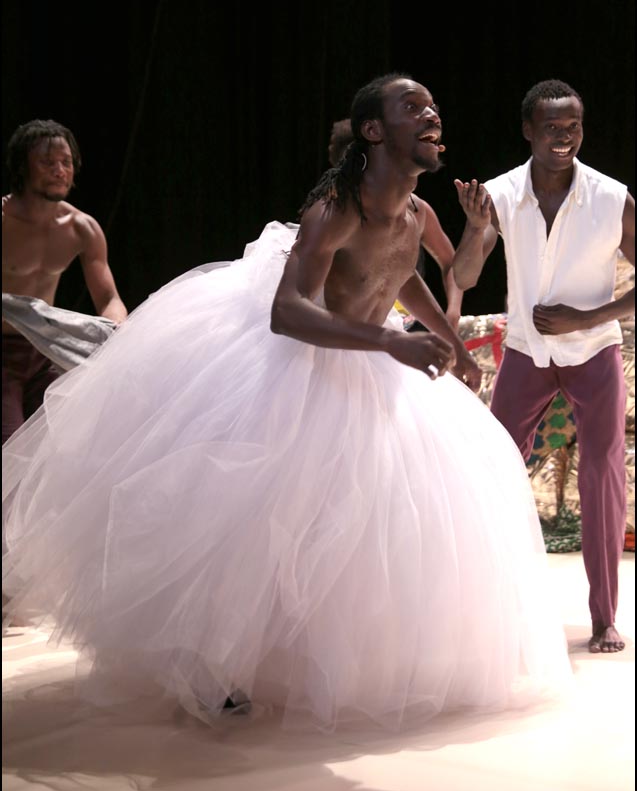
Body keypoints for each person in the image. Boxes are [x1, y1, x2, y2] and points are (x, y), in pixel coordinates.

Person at [2, 74, 571, 731]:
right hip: (301, 371)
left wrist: (450, 339)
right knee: (265, 524)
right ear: (373, 131)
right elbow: (286, 312)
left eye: (433, 106)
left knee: (363, 523)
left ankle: (319, 663)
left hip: (372, 374)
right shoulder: (336, 210)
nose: (431, 115)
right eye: (412, 107)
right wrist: (390, 341)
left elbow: (402, 275)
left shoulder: (416, 213)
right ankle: (213, 666)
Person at [452, 79, 635, 656]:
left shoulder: (612, 198)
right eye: (552, 127)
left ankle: (604, 618)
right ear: (528, 130)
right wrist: (475, 228)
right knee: (495, 468)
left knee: (602, 476)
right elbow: (463, 276)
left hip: (594, 351)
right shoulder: (501, 194)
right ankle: (488, 610)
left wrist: (589, 317)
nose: (564, 137)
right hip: (527, 352)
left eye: (573, 126)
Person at [2, 119, 127, 443]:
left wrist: (117, 330)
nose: (60, 171)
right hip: (4, 352)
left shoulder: (81, 227)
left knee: (61, 446)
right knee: (9, 448)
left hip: (45, 351)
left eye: (66, 162)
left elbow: (108, 298)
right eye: (47, 162)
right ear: (23, 167)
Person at [327, 115, 464, 331]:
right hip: (339, 329)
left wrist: (453, 312)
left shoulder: (417, 210)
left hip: (394, 324)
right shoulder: (336, 215)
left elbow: (443, 265)